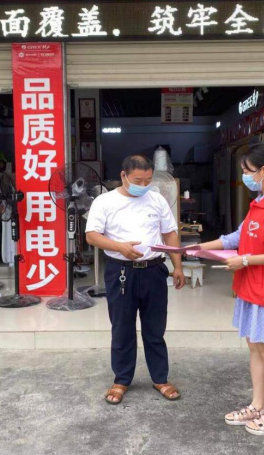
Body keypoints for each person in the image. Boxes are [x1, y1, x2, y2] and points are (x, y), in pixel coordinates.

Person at [199, 143, 264, 436]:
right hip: (252, 288)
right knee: (255, 347)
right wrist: (197, 248)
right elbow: (237, 237)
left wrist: (245, 260)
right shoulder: (259, 203)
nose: (244, 176)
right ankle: (259, 405)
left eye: (247, 170)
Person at [85, 155, 185, 405]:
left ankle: (160, 378)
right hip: (121, 271)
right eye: (138, 180)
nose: (144, 185)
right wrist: (119, 246)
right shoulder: (105, 201)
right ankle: (121, 379)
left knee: (155, 329)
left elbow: (170, 233)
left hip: (154, 270)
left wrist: (178, 266)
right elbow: (92, 235)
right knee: (122, 329)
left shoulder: (157, 199)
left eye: (148, 180)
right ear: (123, 176)